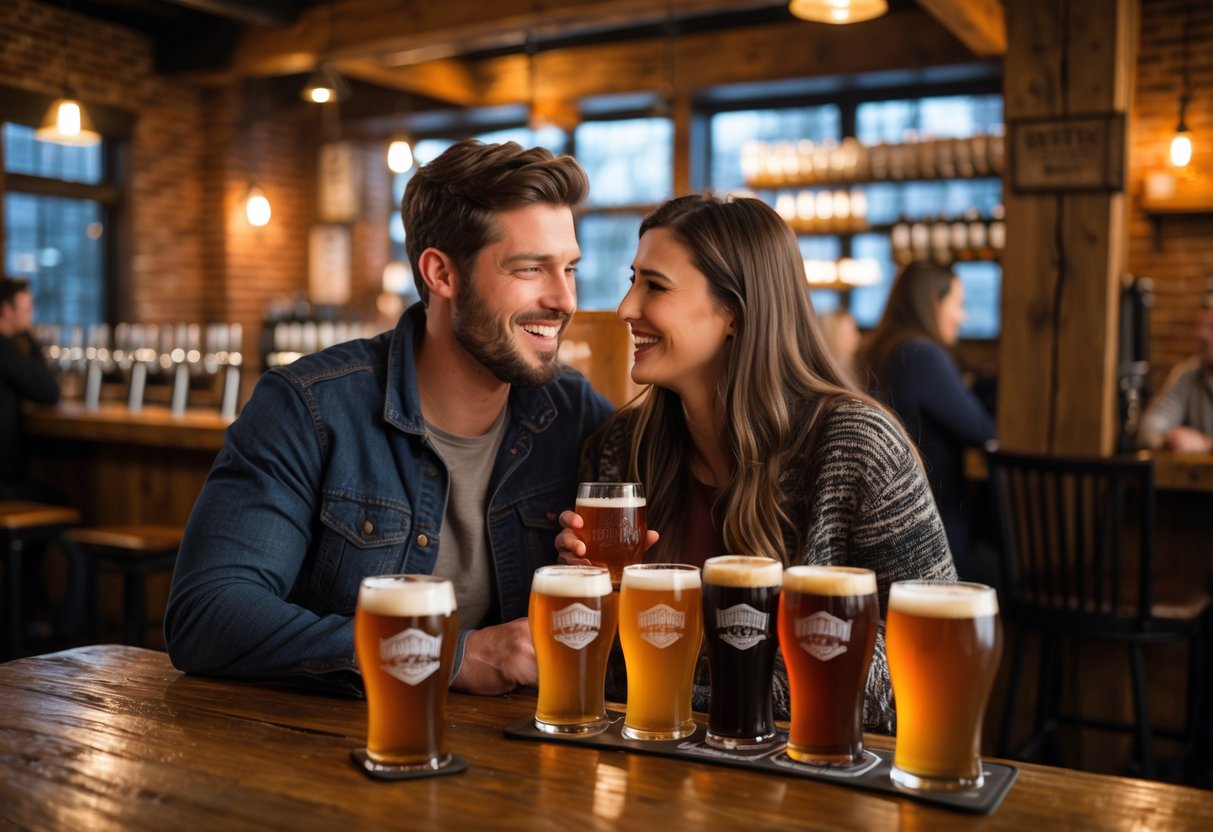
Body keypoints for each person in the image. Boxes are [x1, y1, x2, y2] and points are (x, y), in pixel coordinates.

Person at [164, 140, 614, 696]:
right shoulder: (309, 408)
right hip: (331, 754)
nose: (566, 299)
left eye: (569, 268)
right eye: (530, 269)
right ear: (441, 274)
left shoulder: (571, 410)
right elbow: (207, 615)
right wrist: (451, 654)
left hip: (518, 759)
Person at [557, 194, 955, 733]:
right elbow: (590, 659)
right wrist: (587, 597)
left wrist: (675, 684)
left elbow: (932, 655)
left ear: (735, 314)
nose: (626, 308)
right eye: (633, 280)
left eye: (655, 286)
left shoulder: (858, 447)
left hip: (818, 776)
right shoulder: (620, 448)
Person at [858, 261, 995, 579]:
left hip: (882, 518)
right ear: (934, 301)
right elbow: (983, 430)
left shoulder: (877, 350)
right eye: (958, 304)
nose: (963, 316)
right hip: (930, 524)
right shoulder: (922, 354)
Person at [0, 277, 61, 501]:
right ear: (7, 310)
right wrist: (30, 337)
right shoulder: (5, 349)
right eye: (27, 310)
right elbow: (50, 392)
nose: (31, 317)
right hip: (5, 486)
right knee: (59, 500)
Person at [1138, 300, 1213, 453]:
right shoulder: (1187, 375)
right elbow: (1148, 428)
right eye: (1200, 326)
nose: (1200, 334)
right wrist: (1170, 440)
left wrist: (1206, 445)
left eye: (1211, 327)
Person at [818, 308, 861, 382]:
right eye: (851, 333)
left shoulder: (851, 368)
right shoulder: (831, 376)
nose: (858, 337)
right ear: (832, 337)